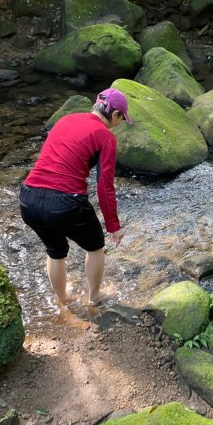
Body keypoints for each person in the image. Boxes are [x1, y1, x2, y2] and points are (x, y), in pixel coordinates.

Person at [19, 88, 132, 306]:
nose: (119, 124)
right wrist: (113, 226)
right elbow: (104, 185)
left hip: (28, 198)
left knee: (55, 251)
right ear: (115, 114)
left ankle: (63, 300)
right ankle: (94, 298)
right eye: (121, 118)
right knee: (95, 246)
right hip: (65, 203)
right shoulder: (105, 136)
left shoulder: (66, 120)